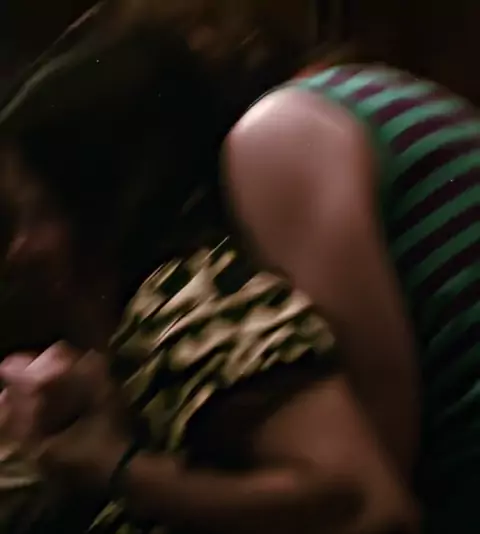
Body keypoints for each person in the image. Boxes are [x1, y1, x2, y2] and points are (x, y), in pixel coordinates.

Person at [0, 0, 477, 532]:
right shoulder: (347, 98)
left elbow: (371, 484)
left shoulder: (275, 136)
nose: (19, 250)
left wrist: (115, 464)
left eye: (39, 212)